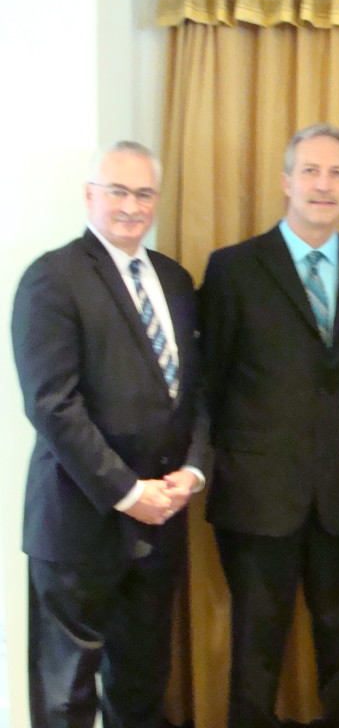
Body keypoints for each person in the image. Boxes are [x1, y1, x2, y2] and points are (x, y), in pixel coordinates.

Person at [200, 123, 339, 728]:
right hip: (258, 494)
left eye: (337, 172)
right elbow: (211, 381)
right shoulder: (233, 269)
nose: (324, 184)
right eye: (311, 171)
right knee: (257, 644)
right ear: (287, 182)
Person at [12, 140, 210, 728]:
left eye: (144, 193)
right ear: (90, 196)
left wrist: (193, 471)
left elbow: (196, 392)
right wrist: (128, 491)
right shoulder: (53, 278)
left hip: (161, 524)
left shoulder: (174, 280)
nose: (131, 205)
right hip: (78, 524)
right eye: (118, 191)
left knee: (142, 686)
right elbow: (52, 405)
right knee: (64, 695)